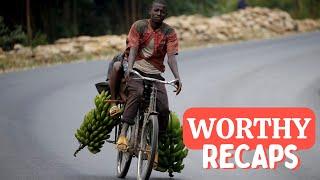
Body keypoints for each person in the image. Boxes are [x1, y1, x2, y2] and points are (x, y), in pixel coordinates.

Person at [116, 0, 182, 166]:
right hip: (136, 68)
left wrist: (177, 77)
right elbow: (132, 48)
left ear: (165, 14)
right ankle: (123, 134)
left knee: (164, 108)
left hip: (155, 73)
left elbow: (172, 57)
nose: (159, 13)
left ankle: (155, 146)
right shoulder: (139, 26)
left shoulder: (169, 32)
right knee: (137, 93)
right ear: (150, 12)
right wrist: (130, 69)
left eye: (162, 11)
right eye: (156, 10)